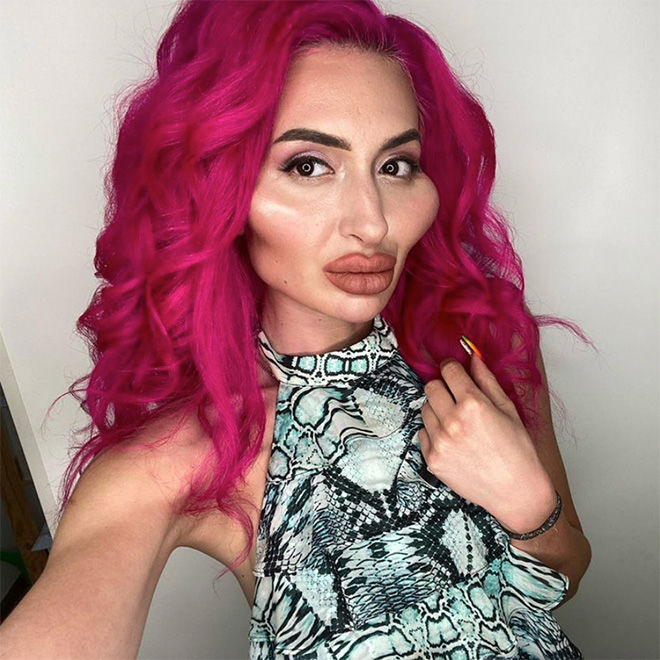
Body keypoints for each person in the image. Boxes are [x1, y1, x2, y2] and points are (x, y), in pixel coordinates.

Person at [0, 0, 592, 658]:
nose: (372, 223)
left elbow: (567, 572)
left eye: (396, 166)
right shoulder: (190, 452)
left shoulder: (480, 347)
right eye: (308, 165)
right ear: (215, 189)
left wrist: (529, 506)